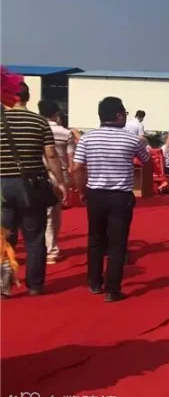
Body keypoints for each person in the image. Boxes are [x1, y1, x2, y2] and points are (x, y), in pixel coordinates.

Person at [71, 97, 150, 302]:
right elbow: (146, 160)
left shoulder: (87, 139)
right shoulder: (131, 139)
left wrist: (82, 191)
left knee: (95, 239)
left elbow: (77, 167)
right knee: (117, 243)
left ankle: (94, 282)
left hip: (95, 194)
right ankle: (112, 290)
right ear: (118, 115)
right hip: (120, 196)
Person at [0, 74, 66, 295]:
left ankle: (4, 284)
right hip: (31, 186)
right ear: (27, 97)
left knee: (3, 237)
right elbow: (51, 155)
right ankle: (35, 285)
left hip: (2, 186)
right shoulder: (39, 122)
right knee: (35, 237)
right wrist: (60, 182)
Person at [38, 100, 75, 264]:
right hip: (60, 174)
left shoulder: (36, 129)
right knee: (54, 214)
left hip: (39, 174)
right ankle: (51, 249)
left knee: (42, 214)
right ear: (56, 114)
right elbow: (71, 157)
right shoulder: (65, 133)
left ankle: (45, 247)